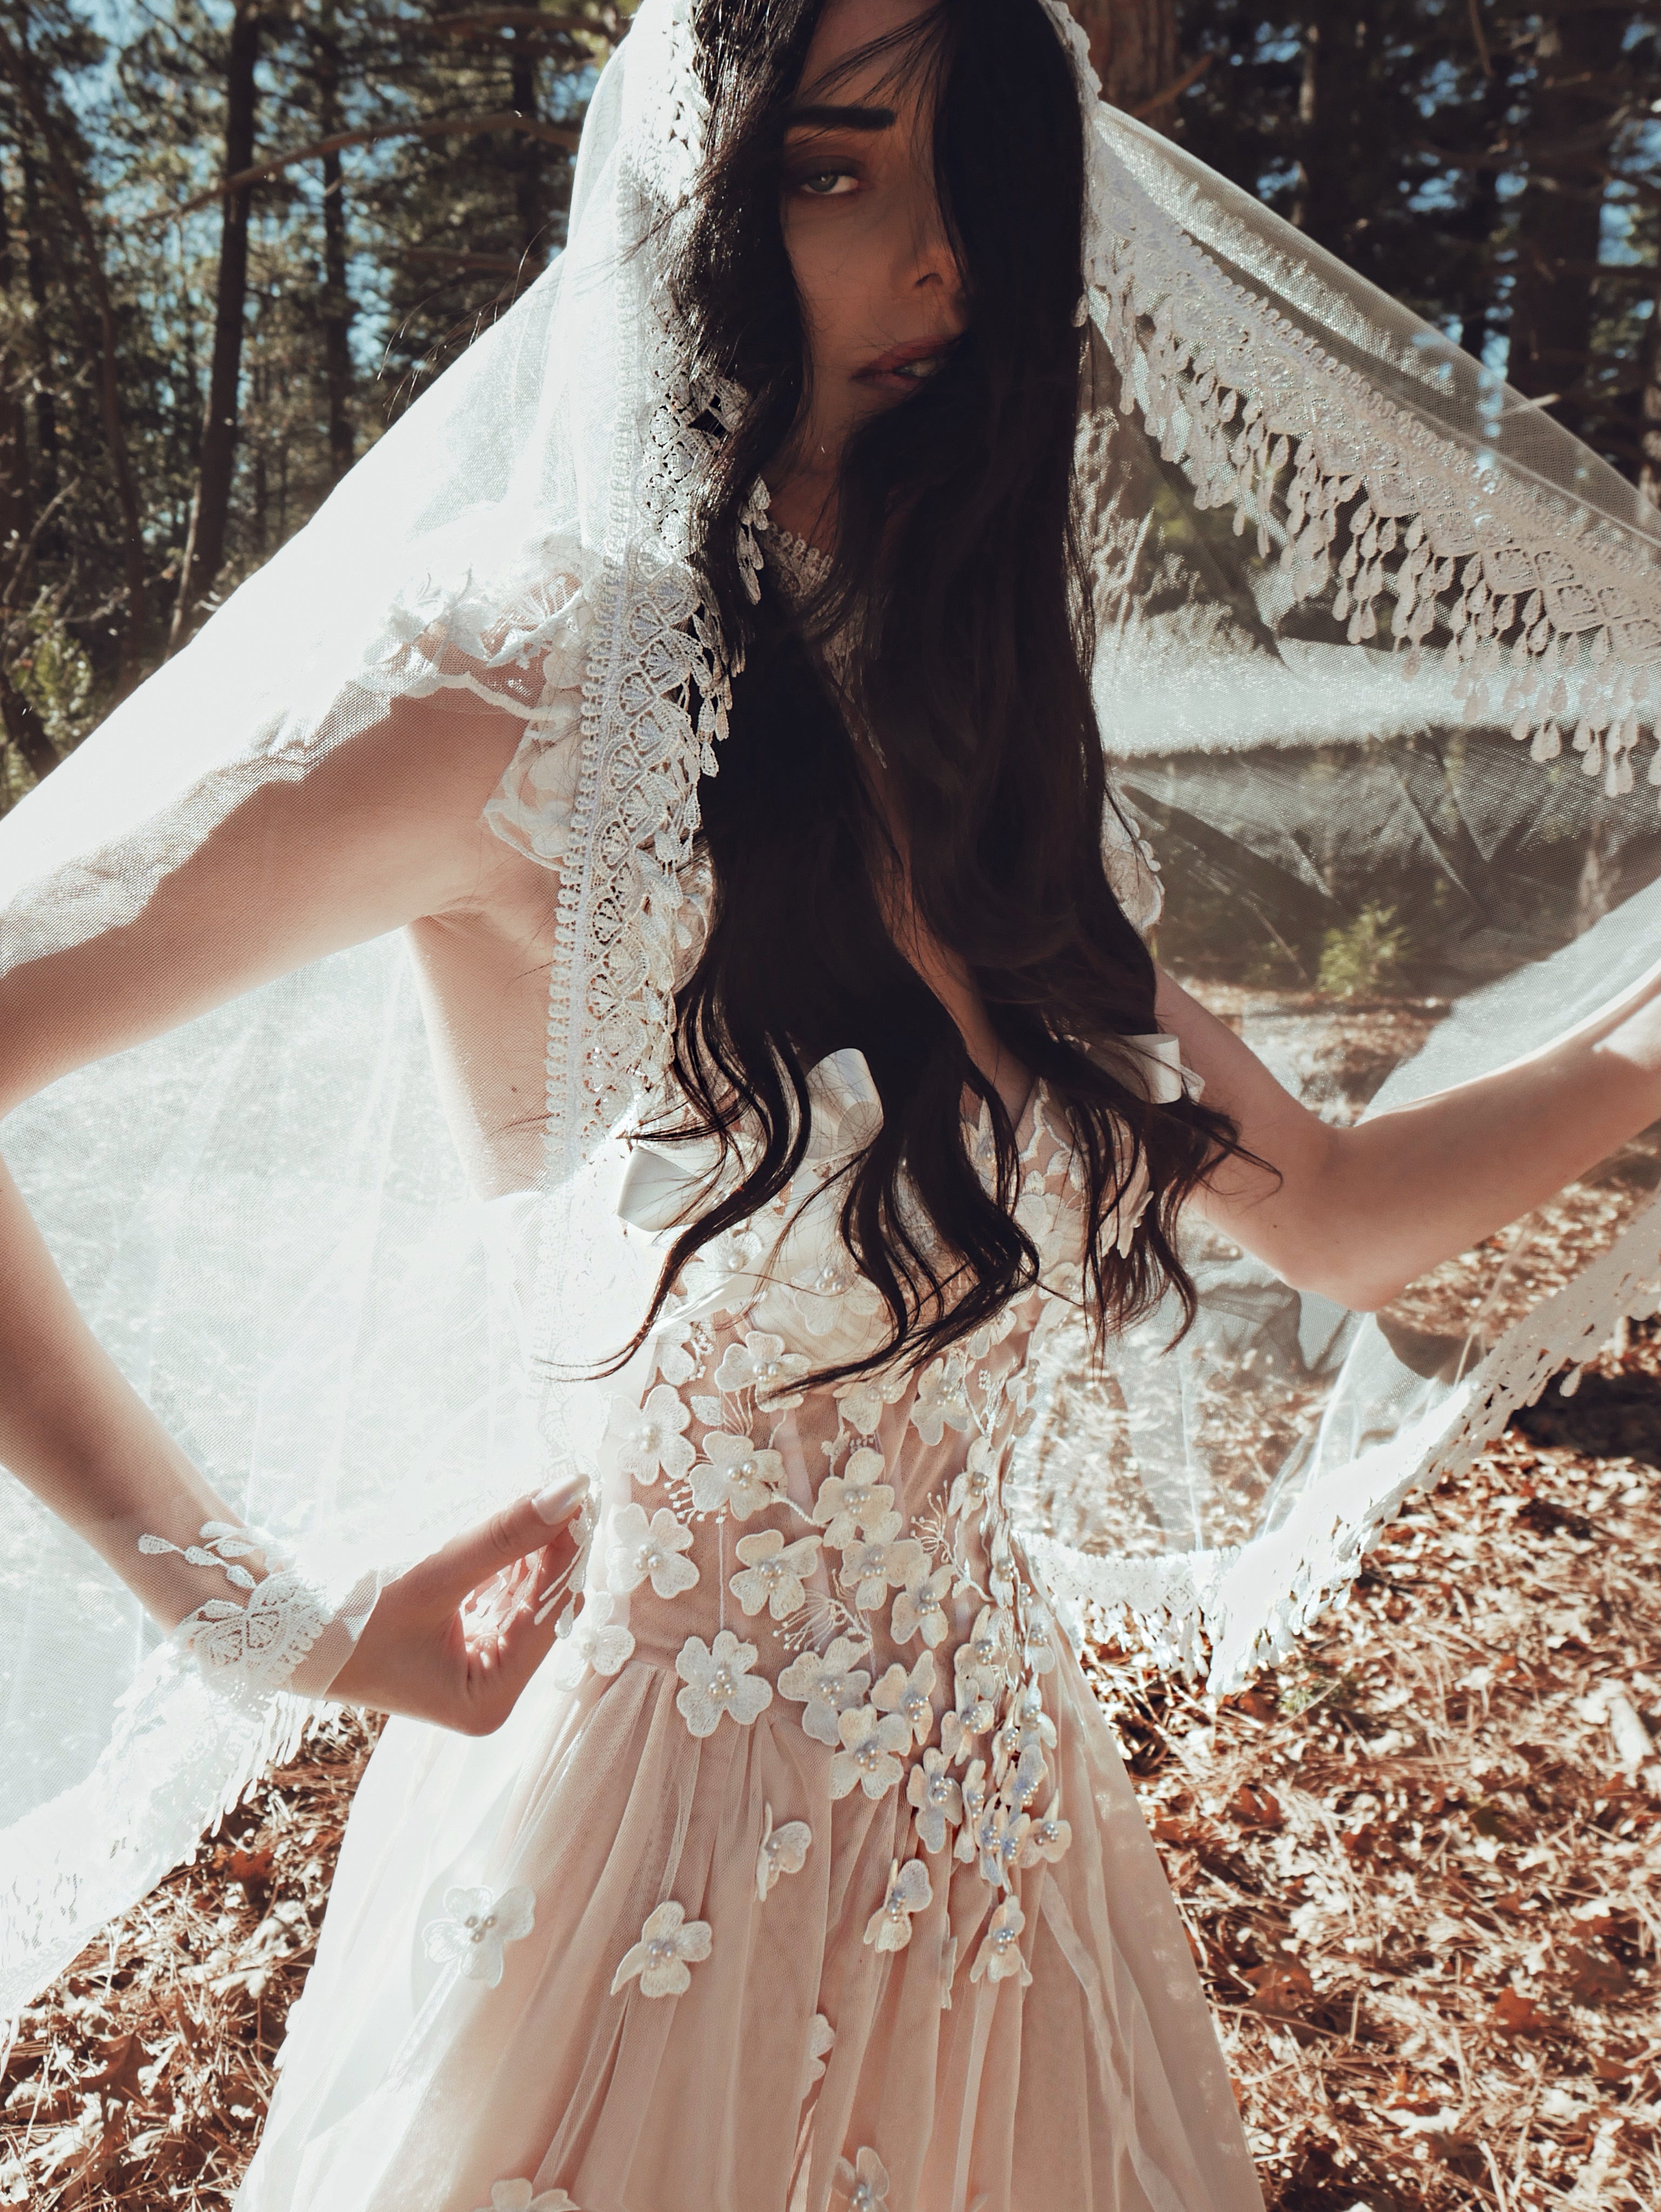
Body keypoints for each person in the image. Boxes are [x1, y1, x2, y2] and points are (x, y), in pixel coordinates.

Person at [1, 0, 1658, 2204]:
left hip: (1008, 1862)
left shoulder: (981, 750)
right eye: (831, 169)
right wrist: (269, 1618)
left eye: (975, 181)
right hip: (639, 1886)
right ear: (693, 198)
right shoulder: (528, 683)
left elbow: (1336, 1210)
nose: (932, 266)